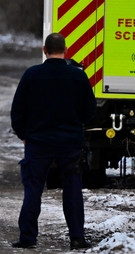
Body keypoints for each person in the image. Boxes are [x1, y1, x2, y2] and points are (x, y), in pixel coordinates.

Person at [10, 33, 97, 250]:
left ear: (44, 50)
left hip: (38, 143)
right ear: (65, 50)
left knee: (33, 189)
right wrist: (77, 125)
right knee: (72, 188)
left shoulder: (32, 75)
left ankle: (28, 237)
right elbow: (90, 111)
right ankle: (77, 237)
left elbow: (18, 110)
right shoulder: (77, 77)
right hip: (70, 143)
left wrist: (23, 134)